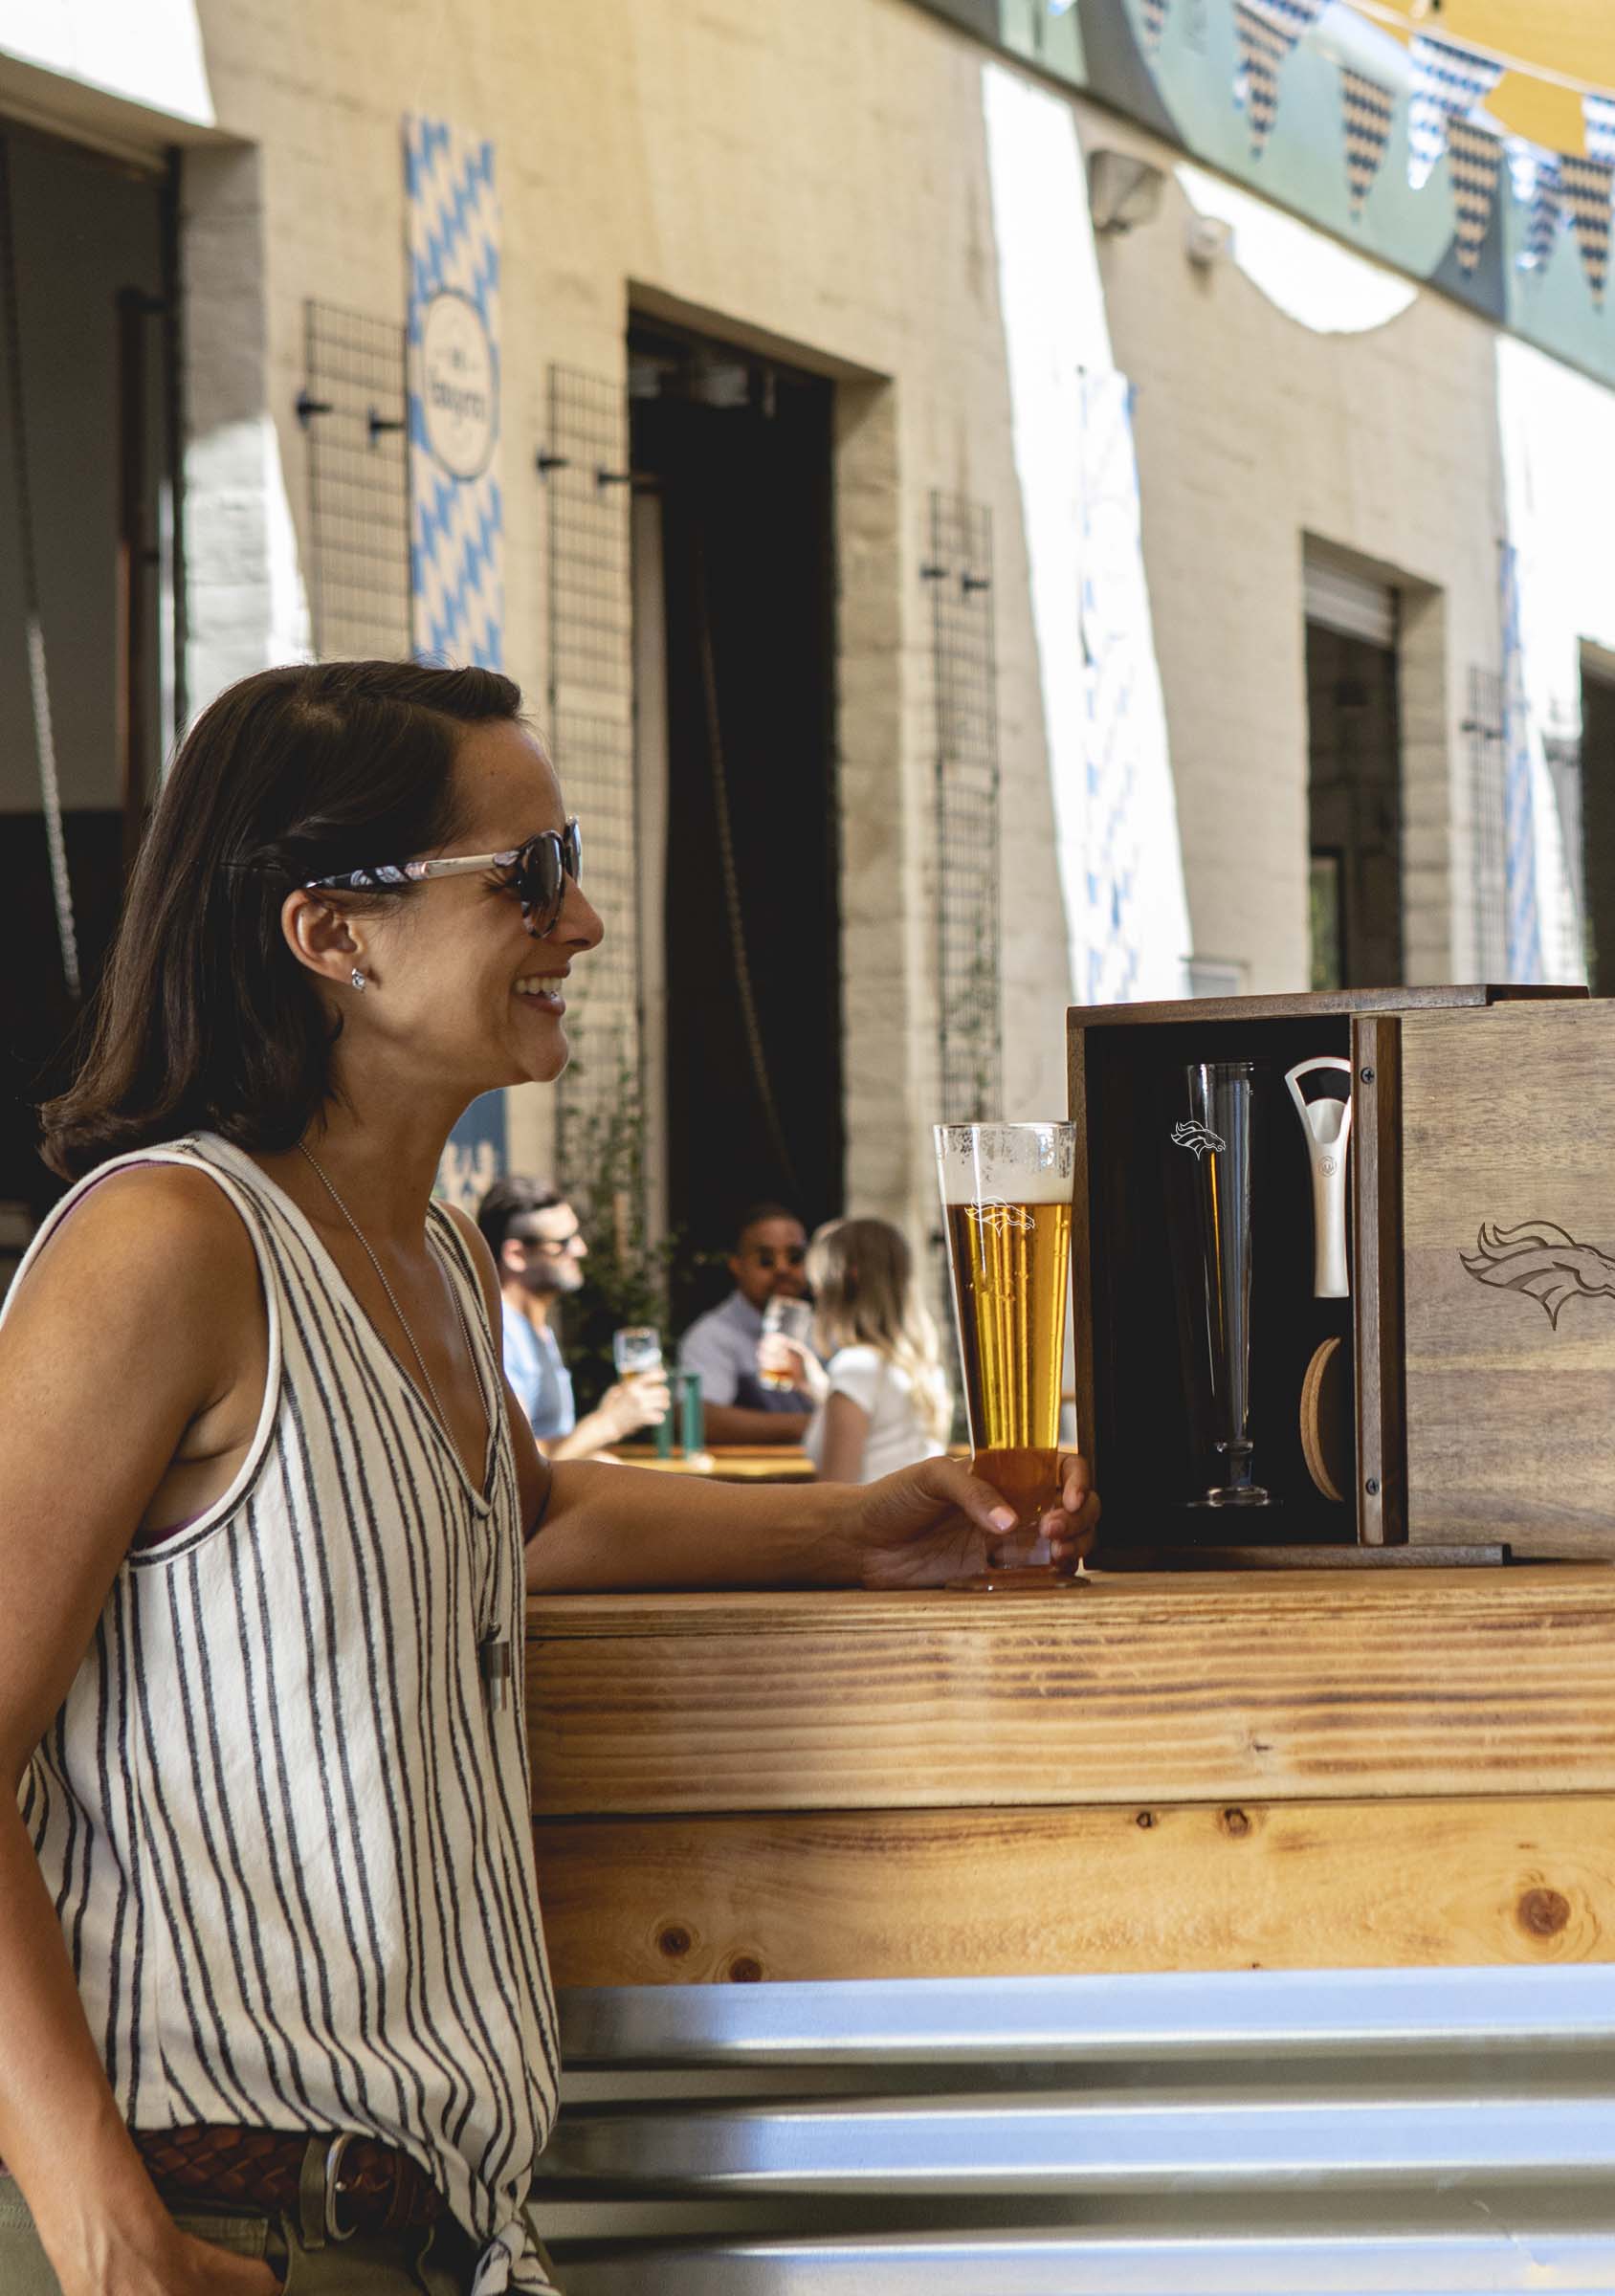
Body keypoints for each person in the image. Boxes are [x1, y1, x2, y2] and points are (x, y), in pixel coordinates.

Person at [0, 660, 1095, 2296]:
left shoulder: (430, 1248)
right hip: (213, 2217)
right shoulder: (166, 1242)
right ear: (332, 935)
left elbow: (537, 1520)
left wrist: (868, 1526)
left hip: (423, 2229)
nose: (578, 923)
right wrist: (99, 2224)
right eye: (528, 875)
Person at [477, 1173, 670, 1463]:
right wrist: (607, 1423)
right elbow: (516, 1466)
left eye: (576, 1236)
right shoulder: (500, 1333)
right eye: (563, 1243)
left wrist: (604, 1422)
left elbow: (547, 1444)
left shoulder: (533, 1327)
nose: (581, 1249)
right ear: (516, 1254)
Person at [761, 1215, 951, 1484]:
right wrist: (813, 1384)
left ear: (843, 1282)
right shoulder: (922, 1367)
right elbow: (881, 1436)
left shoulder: (856, 1366)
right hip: (914, 1524)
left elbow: (835, 1502)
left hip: (874, 1527)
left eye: (818, 1283)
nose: (815, 1294)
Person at [676, 1202, 818, 1446]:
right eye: (766, 1259)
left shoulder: (826, 1329)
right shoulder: (712, 1335)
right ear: (737, 1265)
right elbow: (696, 1416)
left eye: (795, 1257)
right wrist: (810, 1425)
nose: (782, 1268)